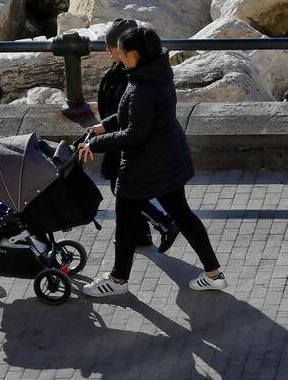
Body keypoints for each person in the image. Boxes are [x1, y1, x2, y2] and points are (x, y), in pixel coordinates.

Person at [78, 27, 228, 296]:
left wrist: (95, 143)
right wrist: (106, 125)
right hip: (169, 156)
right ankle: (213, 273)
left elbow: (135, 133)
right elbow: (135, 116)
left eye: (122, 54)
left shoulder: (141, 87)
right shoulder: (157, 72)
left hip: (145, 165)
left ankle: (117, 280)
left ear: (133, 54)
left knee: (125, 221)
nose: (119, 58)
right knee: (182, 214)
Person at [96, 19, 179, 252]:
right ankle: (140, 233)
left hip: (128, 146)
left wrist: (101, 139)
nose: (108, 52)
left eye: (111, 47)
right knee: (126, 192)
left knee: (123, 190)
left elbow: (130, 121)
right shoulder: (125, 73)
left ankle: (162, 222)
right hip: (123, 142)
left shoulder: (134, 79)